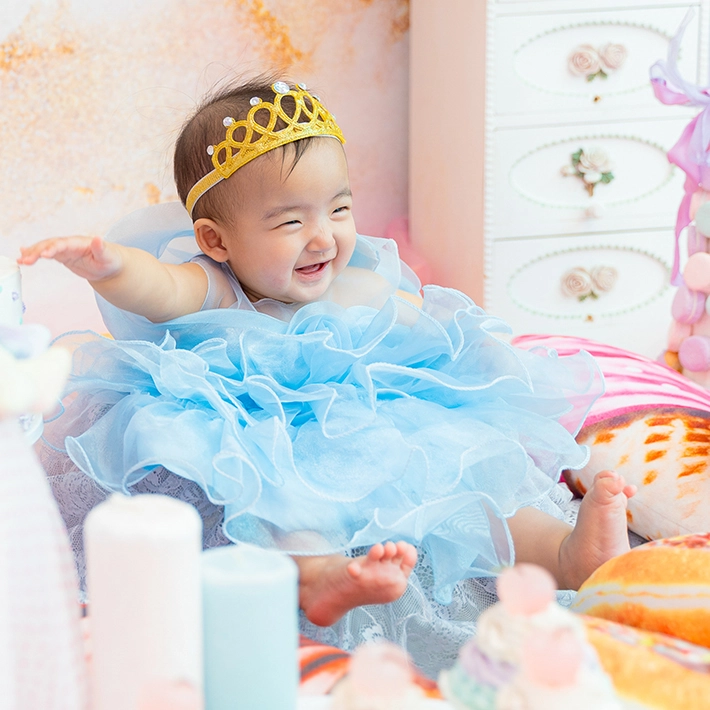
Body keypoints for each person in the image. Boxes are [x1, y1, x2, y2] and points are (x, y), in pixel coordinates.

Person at [19, 76, 635, 676]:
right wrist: (109, 267)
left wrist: (463, 359)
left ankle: (562, 552)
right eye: (290, 222)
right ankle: (314, 574)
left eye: (339, 209)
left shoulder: (357, 283)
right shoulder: (218, 288)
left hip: (375, 417)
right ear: (217, 240)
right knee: (281, 486)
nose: (323, 237)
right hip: (259, 425)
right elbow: (157, 287)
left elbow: (422, 326)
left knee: (461, 471)